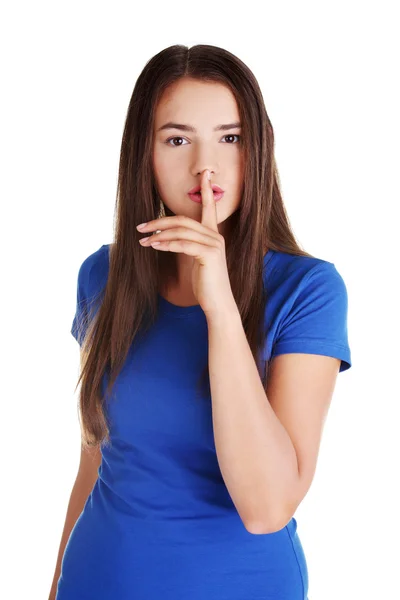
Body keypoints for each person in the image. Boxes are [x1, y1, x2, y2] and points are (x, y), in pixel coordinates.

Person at [50, 44, 352, 600]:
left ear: (257, 149)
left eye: (230, 138)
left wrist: (220, 306)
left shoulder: (308, 290)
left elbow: (266, 508)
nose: (204, 166)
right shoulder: (103, 274)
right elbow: (97, 456)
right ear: (143, 152)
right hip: (96, 580)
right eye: (177, 139)